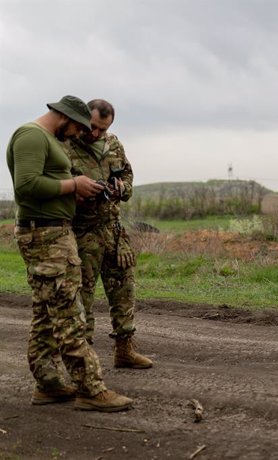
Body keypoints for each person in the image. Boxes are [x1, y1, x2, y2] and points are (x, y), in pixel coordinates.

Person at [6, 95, 133, 411]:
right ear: (65, 117)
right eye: (79, 128)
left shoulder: (45, 138)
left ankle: (48, 383)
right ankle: (89, 388)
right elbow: (25, 186)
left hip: (54, 231)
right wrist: (74, 184)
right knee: (69, 310)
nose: (80, 135)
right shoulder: (31, 136)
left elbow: (42, 182)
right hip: (45, 234)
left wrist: (78, 187)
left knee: (46, 311)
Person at [64, 99, 152, 369]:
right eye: (92, 127)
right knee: (83, 297)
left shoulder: (113, 144)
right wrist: (77, 193)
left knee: (124, 290)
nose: (95, 134)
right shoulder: (65, 146)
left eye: (102, 129)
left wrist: (120, 188)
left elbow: (127, 174)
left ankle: (124, 350)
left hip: (113, 231)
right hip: (82, 232)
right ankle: (84, 360)